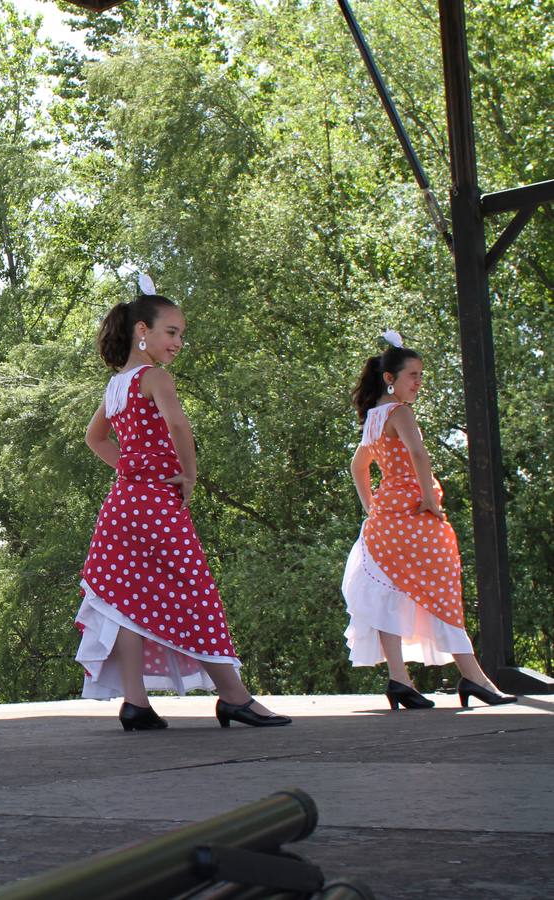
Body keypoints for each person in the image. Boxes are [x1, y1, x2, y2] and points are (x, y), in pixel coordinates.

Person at [75, 275, 290, 731]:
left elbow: (94, 438)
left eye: (180, 334)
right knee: (195, 591)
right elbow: (179, 428)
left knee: (125, 600)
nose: (178, 342)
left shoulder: (117, 386)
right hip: (154, 504)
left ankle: (136, 703)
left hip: (122, 505)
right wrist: (188, 475)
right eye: (171, 332)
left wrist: (128, 466)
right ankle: (234, 696)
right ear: (142, 332)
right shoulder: (155, 377)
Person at [341, 331, 516, 710]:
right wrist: (428, 498)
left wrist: (371, 507)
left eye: (421, 375)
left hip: (386, 518)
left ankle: (400, 680)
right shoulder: (400, 412)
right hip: (413, 514)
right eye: (413, 375)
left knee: (390, 592)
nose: (419, 381)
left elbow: (358, 465)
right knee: (442, 589)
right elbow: (418, 454)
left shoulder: (374, 417)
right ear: (391, 378)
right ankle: (474, 678)